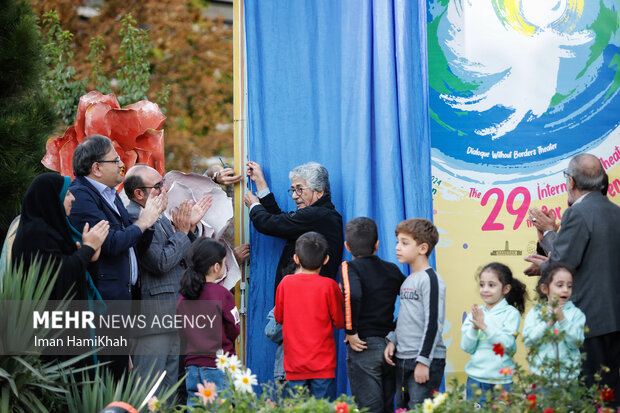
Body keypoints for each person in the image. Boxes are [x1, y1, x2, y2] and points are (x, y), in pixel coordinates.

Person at [524, 154, 620, 406]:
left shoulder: (577, 213)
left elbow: (562, 264)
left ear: (571, 182)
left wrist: (547, 233)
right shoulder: (615, 212)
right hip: (614, 321)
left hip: (590, 322)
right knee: (610, 398)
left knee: (590, 397)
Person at [68, 134, 164, 378]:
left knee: (121, 374)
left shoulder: (111, 194)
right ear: (97, 168)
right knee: (106, 376)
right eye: (116, 160)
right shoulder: (81, 196)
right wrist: (142, 223)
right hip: (103, 302)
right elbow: (109, 244)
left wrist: (148, 224)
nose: (122, 165)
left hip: (124, 300)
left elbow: (131, 248)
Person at [124, 165, 211, 393]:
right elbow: (160, 262)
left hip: (174, 313)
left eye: (163, 182)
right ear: (139, 194)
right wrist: (182, 232)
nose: (164, 188)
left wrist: (190, 228)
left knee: (173, 387)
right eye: (157, 186)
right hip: (153, 318)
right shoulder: (135, 216)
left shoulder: (159, 214)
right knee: (150, 390)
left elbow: (181, 257)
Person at [244, 161, 343, 293]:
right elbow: (280, 221)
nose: (294, 196)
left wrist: (254, 205)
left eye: (299, 189)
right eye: (293, 190)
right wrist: (260, 183)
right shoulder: (319, 215)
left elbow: (269, 223)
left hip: (304, 302)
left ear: (319, 191)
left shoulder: (317, 215)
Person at [340, 217, 405, 413]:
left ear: (347, 246)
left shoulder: (348, 267)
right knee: (385, 407)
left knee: (368, 408)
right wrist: (396, 328)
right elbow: (412, 299)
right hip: (390, 348)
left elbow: (354, 295)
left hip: (364, 346)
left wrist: (351, 331)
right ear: (377, 244)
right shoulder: (392, 269)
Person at [12, 173, 109, 301]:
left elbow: (71, 271)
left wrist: (89, 258)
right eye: (68, 193)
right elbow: (58, 276)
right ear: (52, 199)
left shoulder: (54, 228)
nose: (73, 198)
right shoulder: (36, 232)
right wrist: (88, 248)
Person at [384, 218, 446, 410]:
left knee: (419, 408)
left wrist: (423, 361)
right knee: (403, 408)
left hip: (424, 360)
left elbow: (434, 322)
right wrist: (393, 340)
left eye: (404, 243)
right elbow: (404, 316)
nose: (397, 247)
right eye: (397, 242)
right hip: (403, 358)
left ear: (422, 248)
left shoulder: (431, 280)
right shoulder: (409, 280)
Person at [275, 232, 344, 400]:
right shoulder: (330, 286)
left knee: (296, 408)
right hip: (323, 366)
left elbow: (278, 318)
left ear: (296, 259)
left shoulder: (285, 283)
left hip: (294, 365)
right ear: (326, 259)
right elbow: (340, 322)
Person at [177, 238, 240, 407]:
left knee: (195, 408)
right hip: (218, 365)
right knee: (220, 408)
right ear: (216, 267)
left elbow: (182, 332)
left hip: (192, 366)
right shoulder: (222, 293)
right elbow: (234, 329)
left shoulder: (184, 296)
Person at [460, 262, 526, 406]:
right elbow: (466, 347)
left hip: (501, 382)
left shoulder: (510, 314)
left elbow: (507, 346)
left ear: (506, 288)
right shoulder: (476, 314)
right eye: (482, 285)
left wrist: (484, 326)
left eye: (491, 285)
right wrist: (474, 328)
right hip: (475, 380)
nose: (485, 290)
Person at [523, 262, 585, 381]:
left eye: (569, 286)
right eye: (560, 285)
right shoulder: (535, 313)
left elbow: (576, 343)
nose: (566, 290)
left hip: (568, 380)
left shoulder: (576, 314)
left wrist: (562, 320)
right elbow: (529, 341)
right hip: (540, 379)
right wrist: (548, 324)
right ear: (545, 288)